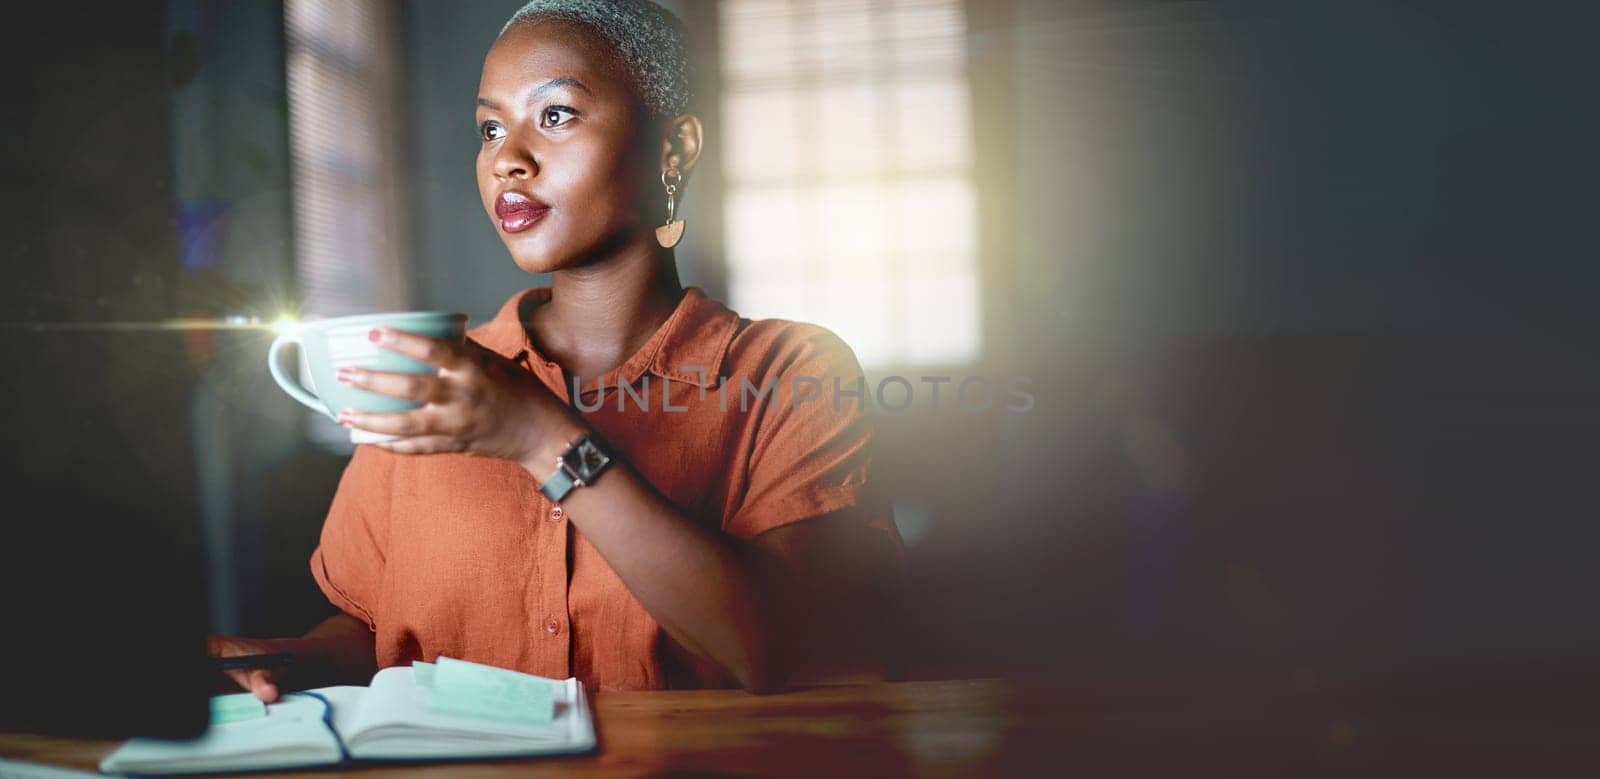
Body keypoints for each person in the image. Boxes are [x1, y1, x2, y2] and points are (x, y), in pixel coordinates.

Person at [210, 0, 905, 699]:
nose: (506, 160)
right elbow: (372, 626)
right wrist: (290, 662)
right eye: (489, 128)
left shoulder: (789, 373)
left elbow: (779, 651)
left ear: (674, 148)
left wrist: (542, 437)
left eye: (556, 115)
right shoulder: (433, 377)